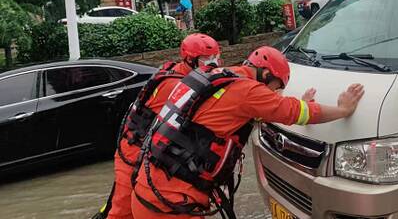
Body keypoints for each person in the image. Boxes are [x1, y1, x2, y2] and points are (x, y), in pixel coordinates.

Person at [131, 46, 365, 219]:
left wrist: (298, 104)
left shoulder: (219, 76)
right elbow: (293, 111)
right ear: (266, 75)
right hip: (170, 202)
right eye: (276, 88)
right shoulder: (247, 91)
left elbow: (267, 110)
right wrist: (343, 109)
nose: (276, 94)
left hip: (149, 186)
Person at [96, 34, 222, 219]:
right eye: (207, 60)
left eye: (215, 58)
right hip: (132, 154)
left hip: (146, 151)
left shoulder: (176, 72)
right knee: (122, 211)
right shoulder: (175, 86)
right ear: (189, 59)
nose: (213, 64)